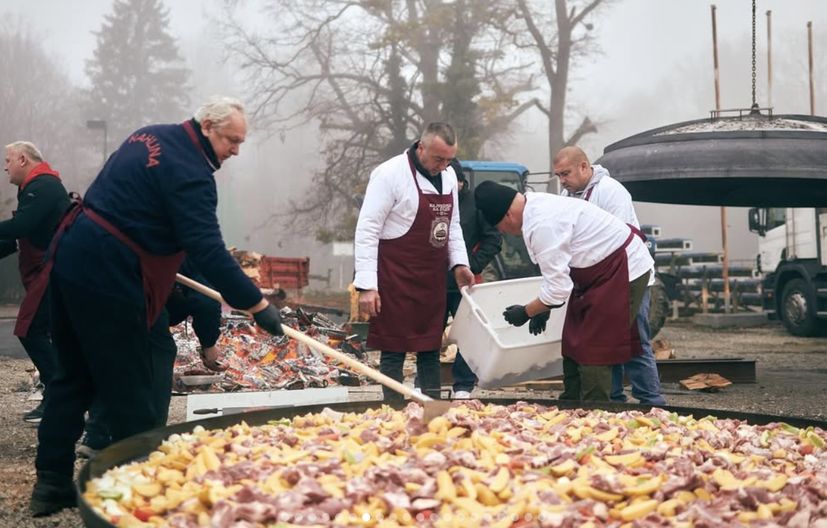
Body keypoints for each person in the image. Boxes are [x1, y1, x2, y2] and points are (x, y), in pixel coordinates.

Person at [30, 96, 285, 517]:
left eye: (240, 143)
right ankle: (142, 495)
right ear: (207, 125)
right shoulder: (191, 173)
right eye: (231, 140)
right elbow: (207, 249)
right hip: (109, 274)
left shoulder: (148, 134)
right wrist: (256, 304)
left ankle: (51, 484)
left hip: (72, 257)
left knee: (70, 379)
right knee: (131, 390)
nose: (236, 151)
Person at [474, 180, 654, 402]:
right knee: (573, 340)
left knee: (594, 347)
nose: (504, 233)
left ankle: (594, 412)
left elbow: (558, 288)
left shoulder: (542, 224)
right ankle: (571, 403)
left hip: (622, 269)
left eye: (500, 227)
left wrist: (527, 311)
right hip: (594, 273)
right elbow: (556, 274)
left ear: (507, 216)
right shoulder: (534, 204)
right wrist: (544, 307)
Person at [354, 123, 474, 403]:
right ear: (421, 146)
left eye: (449, 160)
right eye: (438, 159)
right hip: (395, 275)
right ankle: (393, 411)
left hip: (431, 277)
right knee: (394, 350)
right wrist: (367, 286)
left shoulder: (448, 176)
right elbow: (368, 228)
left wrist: (459, 264)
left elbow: (452, 225)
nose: (443, 166)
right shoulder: (389, 174)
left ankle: (432, 410)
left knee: (430, 349)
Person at [77, 257, 225, 459]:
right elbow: (205, 301)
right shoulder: (194, 249)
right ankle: (149, 440)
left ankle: (98, 436)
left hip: (96, 288)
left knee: (114, 358)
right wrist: (209, 345)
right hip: (137, 293)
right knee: (158, 354)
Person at [554, 146, 665, 405]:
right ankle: (613, 399)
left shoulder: (610, 191)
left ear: (584, 166)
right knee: (604, 341)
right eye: (558, 175)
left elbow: (619, 239)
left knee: (634, 337)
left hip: (628, 274)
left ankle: (652, 401)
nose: (562, 180)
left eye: (566, 173)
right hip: (597, 279)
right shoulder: (567, 194)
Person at [0, 142, 70, 423]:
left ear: (22, 159)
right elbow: (20, 239)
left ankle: (59, 398)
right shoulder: (32, 187)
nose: (5, 167)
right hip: (46, 271)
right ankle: (63, 397)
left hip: (53, 270)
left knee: (30, 330)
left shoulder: (43, 186)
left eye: (8, 160)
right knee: (54, 336)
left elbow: (21, 227)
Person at [446, 159, 502, 399]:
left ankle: (463, 385)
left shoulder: (475, 205)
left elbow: (494, 240)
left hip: (466, 284)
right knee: (428, 334)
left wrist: (472, 265)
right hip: (434, 283)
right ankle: (422, 382)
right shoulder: (431, 200)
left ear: (460, 181)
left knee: (469, 336)